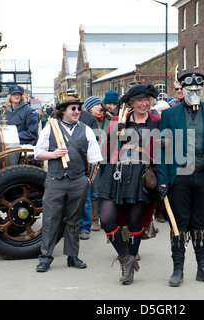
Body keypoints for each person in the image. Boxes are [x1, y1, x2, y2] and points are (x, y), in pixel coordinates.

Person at [156, 73, 204, 287]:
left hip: (203, 175)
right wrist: (163, 180)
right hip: (179, 176)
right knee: (178, 223)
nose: (194, 95)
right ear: (182, 91)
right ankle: (178, 269)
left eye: (198, 91)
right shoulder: (170, 115)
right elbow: (162, 151)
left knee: (200, 223)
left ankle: (203, 268)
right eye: (190, 91)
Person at [97, 84, 160, 285]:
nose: (144, 104)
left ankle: (128, 266)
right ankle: (125, 257)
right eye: (139, 100)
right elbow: (106, 151)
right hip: (117, 172)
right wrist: (116, 134)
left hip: (142, 175)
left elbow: (163, 151)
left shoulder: (157, 122)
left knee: (135, 222)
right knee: (106, 219)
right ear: (131, 103)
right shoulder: (118, 120)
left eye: (147, 100)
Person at [34, 98, 102, 272]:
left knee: (74, 220)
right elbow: (38, 153)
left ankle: (73, 257)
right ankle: (45, 258)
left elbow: (95, 159)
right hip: (55, 180)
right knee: (50, 220)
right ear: (63, 110)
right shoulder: (51, 127)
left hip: (78, 181)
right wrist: (54, 154)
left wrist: (88, 181)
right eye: (73, 108)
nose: (77, 111)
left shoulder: (85, 129)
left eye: (79, 108)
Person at [84, 96, 111, 232]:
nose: (100, 107)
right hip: (94, 159)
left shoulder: (107, 119)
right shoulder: (86, 120)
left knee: (105, 189)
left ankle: (103, 217)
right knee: (94, 189)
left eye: (101, 105)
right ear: (89, 107)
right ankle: (94, 220)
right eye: (97, 105)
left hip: (107, 157)